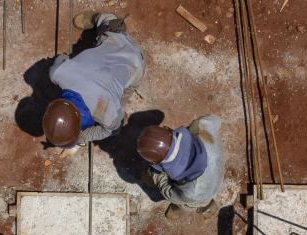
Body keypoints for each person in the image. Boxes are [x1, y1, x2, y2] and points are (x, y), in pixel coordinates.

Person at [42, 12, 145, 147]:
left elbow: (107, 130)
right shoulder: (57, 73)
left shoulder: (107, 115)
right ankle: (105, 21)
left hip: (136, 66)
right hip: (117, 45)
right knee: (107, 27)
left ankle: (97, 18)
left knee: (115, 124)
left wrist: (82, 137)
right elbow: (62, 58)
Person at [137, 116, 224, 219]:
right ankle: (205, 204)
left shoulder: (191, 192)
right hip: (217, 171)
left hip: (200, 192)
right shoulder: (202, 124)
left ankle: (197, 207)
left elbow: (169, 193)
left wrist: (157, 176)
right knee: (196, 196)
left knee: (187, 204)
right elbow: (216, 120)